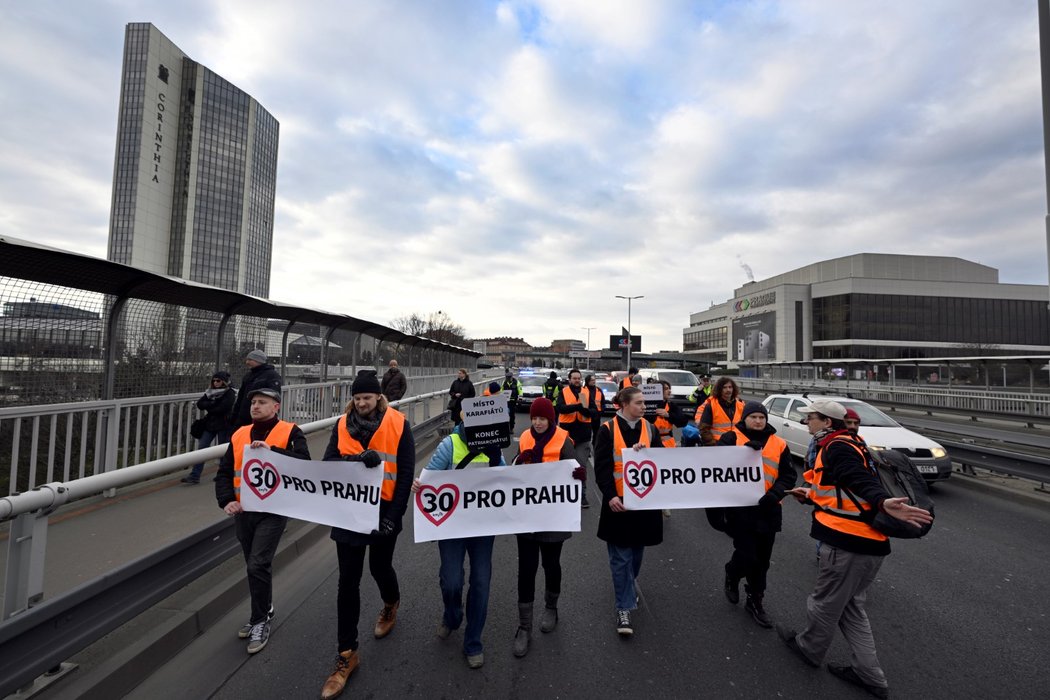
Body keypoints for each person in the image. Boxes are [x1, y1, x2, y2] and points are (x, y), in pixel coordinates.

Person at [779, 400, 932, 699]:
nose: (806, 423)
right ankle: (869, 674)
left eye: (810, 418)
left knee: (824, 602)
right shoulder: (853, 442)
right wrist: (811, 496)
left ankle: (808, 648)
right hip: (869, 542)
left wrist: (880, 501)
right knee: (850, 607)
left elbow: (858, 480)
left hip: (847, 542)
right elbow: (843, 490)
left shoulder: (837, 447)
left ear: (826, 422)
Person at [320, 371, 415, 699]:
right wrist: (356, 459)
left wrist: (394, 516)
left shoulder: (399, 424)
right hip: (349, 511)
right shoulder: (341, 424)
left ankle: (391, 603)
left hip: (383, 511)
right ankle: (347, 653)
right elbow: (329, 462)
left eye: (367, 398)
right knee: (347, 580)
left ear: (378, 397)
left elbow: (404, 475)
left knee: (379, 567)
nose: (361, 403)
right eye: (357, 398)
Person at [214, 387, 310, 654]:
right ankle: (264, 609)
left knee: (257, 564)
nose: (255, 406)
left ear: (276, 406)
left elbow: (305, 463)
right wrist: (226, 500)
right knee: (253, 565)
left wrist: (273, 451)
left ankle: (259, 621)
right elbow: (224, 473)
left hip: (273, 510)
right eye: (253, 402)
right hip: (244, 511)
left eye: (262, 402)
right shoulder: (239, 434)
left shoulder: (291, 432)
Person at [411, 417, 504, 669]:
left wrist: (496, 459)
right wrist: (419, 484)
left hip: (482, 527)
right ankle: (452, 615)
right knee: (451, 581)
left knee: (481, 582)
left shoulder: (494, 446)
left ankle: (473, 641)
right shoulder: (449, 445)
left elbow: (507, 482)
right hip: (452, 526)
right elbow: (429, 479)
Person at [511, 397, 585, 658]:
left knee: (551, 564)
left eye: (542, 418)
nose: (537, 423)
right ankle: (524, 625)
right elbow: (514, 472)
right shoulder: (524, 438)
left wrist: (579, 476)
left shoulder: (563, 439)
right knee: (526, 569)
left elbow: (576, 468)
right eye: (534, 418)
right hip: (528, 516)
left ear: (550, 419)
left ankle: (551, 607)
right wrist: (520, 461)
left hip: (554, 516)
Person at [716, 401, 796, 628]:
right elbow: (713, 467)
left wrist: (775, 493)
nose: (759, 421)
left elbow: (788, 475)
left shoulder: (779, 443)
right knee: (748, 554)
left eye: (762, 417)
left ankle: (755, 600)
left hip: (768, 509)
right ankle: (732, 573)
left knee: (762, 560)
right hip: (739, 510)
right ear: (745, 419)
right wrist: (740, 454)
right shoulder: (731, 438)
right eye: (754, 417)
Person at [594, 386, 664, 637]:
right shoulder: (607, 430)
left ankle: (626, 585)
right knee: (621, 556)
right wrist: (610, 495)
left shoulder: (650, 428)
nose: (644, 407)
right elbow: (601, 467)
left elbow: (662, 462)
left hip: (644, 503)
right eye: (638, 403)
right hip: (619, 503)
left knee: (636, 553)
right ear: (623, 405)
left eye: (644, 402)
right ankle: (624, 607)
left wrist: (647, 453)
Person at [183, 370, 236, 484]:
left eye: (218, 380)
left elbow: (224, 408)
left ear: (224, 382)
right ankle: (194, 476)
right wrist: (213, 405)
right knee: (202, 449)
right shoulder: (210, 392)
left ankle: (223, 475)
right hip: (210, 424)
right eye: (214, 380)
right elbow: (200, 404)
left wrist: (210, 406)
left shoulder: (230, 393)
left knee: (222, 451)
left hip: (224, 424)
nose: (216, 383)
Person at [554, 368, 597, 509]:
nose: (577, 380)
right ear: (570, 379)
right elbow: (560, 408)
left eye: (579, 378)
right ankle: (564, 493)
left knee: (580, 465)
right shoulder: (563, 392)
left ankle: (581, 495)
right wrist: (577, 406)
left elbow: (593, 412)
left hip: (583, 435)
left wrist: (583, 409)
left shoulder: (586, 393)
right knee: (565, 465)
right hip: (566, 435)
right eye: (574, 378)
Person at [230, 349, 283, 428]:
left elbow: (274, 396)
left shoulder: (272, 375)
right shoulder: (248, 376)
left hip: (260, 417)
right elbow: (241, 397)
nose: (247, 362)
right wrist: (234, 416)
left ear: (258, 360)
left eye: (250, 360)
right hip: (243, 416)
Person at [697, 377, 744, 445]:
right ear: (719, 389)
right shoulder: (711, 405)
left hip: (737, 445)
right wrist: (713, 444)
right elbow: (704, 429)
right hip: (718, 445)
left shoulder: (741, 405)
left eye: (730, 387)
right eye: (724, 387)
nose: (728, 390)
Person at [651, 380, 689, 448]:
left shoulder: (671, 405)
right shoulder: (648, 406)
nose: (669, 391)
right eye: (666, 389)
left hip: (668, 445)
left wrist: (668, 415)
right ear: (658, 391)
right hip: (651, 443)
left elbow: (683, 421)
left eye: (669, 388)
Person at [501, 369, 524, 433]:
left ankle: (511, 428)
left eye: (508, 377)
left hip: (513, 401)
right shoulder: (504, 382)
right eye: (506, 377)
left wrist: (520, 397)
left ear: (511, 377)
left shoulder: (517, 382)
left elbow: (520, 390)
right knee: (504, 415)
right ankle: (505, 428)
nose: (507, 379)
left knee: (512, 415)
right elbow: (501, 390)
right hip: (505, 401)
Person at [585, 374, 604, 445]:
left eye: (594, 380)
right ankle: (587, 448)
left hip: (597, 416)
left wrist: (602, 411)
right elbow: (582, 404)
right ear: (587, 381)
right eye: (592, 380)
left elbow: (602, 402)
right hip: (587, 416)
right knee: (587, 434)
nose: (594, 381)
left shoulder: (599, 390)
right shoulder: (583, 390)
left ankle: (594, 445)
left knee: (596, 433)